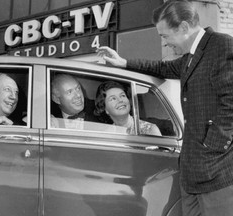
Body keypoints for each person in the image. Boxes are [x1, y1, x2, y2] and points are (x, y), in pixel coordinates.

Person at [97, 0, 233, 215]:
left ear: (184, 28)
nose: (165, 42)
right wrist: (124, 63)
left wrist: (211, 149)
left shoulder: (222, 45)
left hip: (217, 172)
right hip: (191, 174)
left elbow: (231, 106)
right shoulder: (189, 57)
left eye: (165, 35)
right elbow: (162, 67)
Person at [94, 80, 161, 136]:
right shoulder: (106, 135)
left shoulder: (149, 130)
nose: (120, 100)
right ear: (105, 109)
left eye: (122, 95)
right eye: (113, 99)